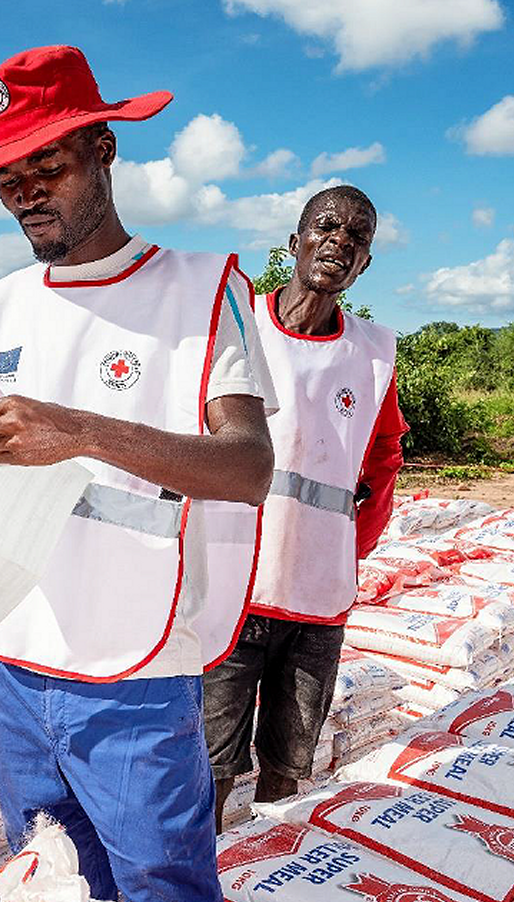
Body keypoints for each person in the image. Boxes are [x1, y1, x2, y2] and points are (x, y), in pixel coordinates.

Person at [0, 46, 275, 902]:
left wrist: (77, 431)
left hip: (132, 666)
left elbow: (247, 467)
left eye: (46, 168)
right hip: (15, 654)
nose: (25, 194)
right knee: (59, 893)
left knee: (166, 895)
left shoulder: (201, 289)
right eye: (6, 179)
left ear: (104, 150)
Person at [203, 185, 408, 825]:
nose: (340, 243)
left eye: (358, 237)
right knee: (210, 765)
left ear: (366, 262)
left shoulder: (373, 353)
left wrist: (348, 549)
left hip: (318, 597)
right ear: (294, 243)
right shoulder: (240, 326)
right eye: (327, 227)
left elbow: (382, 460)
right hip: (232, 591)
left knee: (290, 764)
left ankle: (263, 886)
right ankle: (192, 899)